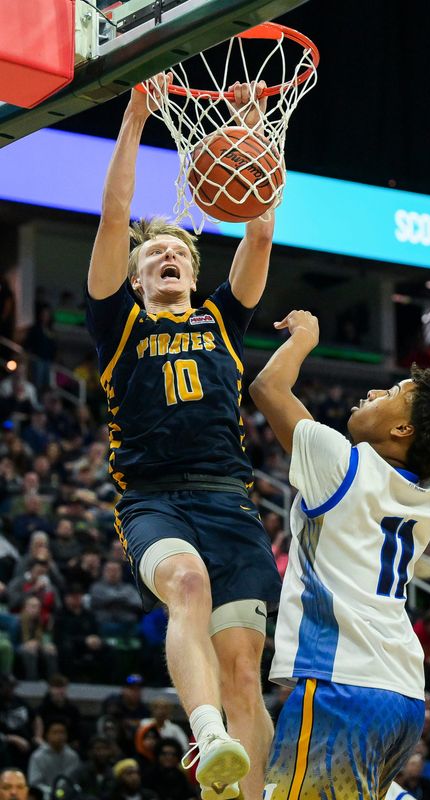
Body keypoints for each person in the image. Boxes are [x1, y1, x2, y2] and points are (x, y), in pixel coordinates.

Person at [85, 72, 281, 800]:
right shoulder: (120, 324)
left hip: (229, 503)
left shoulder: (221, 322)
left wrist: (256, 119)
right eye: (152, 258)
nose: (167, 258)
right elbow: (113, 218)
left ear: (194, 275)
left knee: (243, 675)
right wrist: (135, 115)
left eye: (180, 257)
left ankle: (240, 786)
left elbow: (259, 225)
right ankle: (205, 733)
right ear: (135, 280)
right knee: (186, 585)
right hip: (154, 502)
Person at [249, 245, 430, 799]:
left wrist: (303, 340)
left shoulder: (342, 462)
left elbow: (267, 389)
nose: (378, 389)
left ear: (403, 431)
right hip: (401, 694)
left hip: (342, 686)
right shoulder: (429, 487)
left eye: (394, 394)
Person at [27, 719, 80, 794]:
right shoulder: (37, 756)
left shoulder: (73, 756)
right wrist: (53, 792)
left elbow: (75, 781)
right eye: (55, 732)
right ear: (47, 735)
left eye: (62, 732)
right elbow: (34, 783)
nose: (59, 736)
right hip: (45, 795)